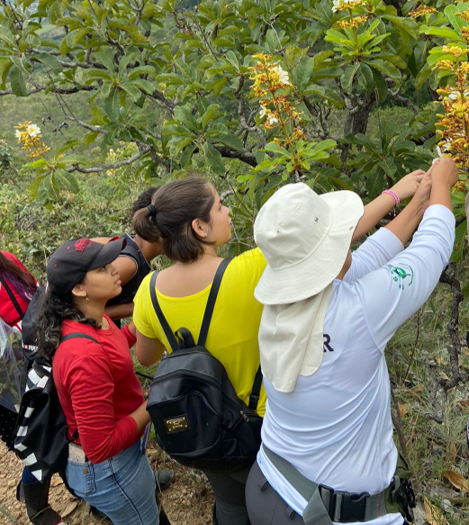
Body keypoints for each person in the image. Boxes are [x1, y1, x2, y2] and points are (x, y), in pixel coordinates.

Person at [130, 173, 424, 525]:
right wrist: (395, 194)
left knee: (228, 502)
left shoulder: (148, 290)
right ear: (200, 227)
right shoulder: (248, 270)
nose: (228, 212)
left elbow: (145, 357)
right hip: (259, 426)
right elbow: (328, 238)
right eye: (220, 206)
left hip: (205, 423)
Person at [245, 157, 458, 525]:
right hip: (328, 515)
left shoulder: (282, 301)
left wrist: (418, 203)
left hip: (270, 482)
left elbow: (364, 260)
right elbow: (432, 251)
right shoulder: (358, 311)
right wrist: (442, 185)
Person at [36, 238, 163, 525]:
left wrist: (148, 318)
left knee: (147, 511)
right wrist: (154, 399)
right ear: (79, 289)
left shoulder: (92, 319)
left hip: (121, 456)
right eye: (104, 268)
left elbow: (117, 342)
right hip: (109, 468)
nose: (116, 270)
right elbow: (101, 447)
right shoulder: (83, 356)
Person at [0, 252, 65, 525]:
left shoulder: (7, 260)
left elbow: (37, 298)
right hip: (7, 386)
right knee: (34, 438)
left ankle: (94, 492)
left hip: (41, 362)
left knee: (63, 429)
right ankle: (38, 508)